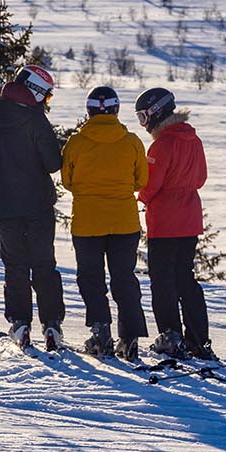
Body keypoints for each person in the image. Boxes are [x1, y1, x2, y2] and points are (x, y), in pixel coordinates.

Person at [0, 63, 65, 350]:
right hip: (37, 203)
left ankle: (20, 323)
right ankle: (51, 325)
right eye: (46, 96)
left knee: (15, 266)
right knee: (44, 264)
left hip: (4, 204)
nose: (46, 103)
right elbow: (53, 163)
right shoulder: (35, 120)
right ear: (35, 91)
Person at [61, 86, 150, 360]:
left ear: (89, 110)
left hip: (87, 222)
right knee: (124, 277)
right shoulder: (132, 141)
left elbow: (67, 181)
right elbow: (142, 180)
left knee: (91, 278)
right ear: (116, 109)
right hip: (124, 221)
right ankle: (130, 336)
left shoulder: (76, 142)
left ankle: (101, 332)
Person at [135, 86, 212, 359]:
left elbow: (149, 185)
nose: (144, 125)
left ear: (156, 112)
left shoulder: (162, 144)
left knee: (163, 281)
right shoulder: (194, 140)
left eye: (143, 117)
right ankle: (198, 339)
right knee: (185, 279)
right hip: (189, 219)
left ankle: (170, 336)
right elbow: (201, 179)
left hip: (166, 222)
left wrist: (140, 197)